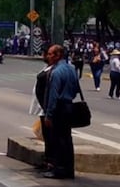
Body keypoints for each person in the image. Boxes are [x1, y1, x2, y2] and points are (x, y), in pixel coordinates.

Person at [41, 44, 80, 179]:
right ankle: (68, 169)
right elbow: (75, 89)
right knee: (67, 140)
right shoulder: (72, 69)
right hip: (69, 106)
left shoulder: (56, 72)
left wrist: (49, 115)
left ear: (58, 56)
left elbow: (53, 95)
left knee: (57, 140)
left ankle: (59, 169)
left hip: (59, 109)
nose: (48, 56)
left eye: (51, 54)